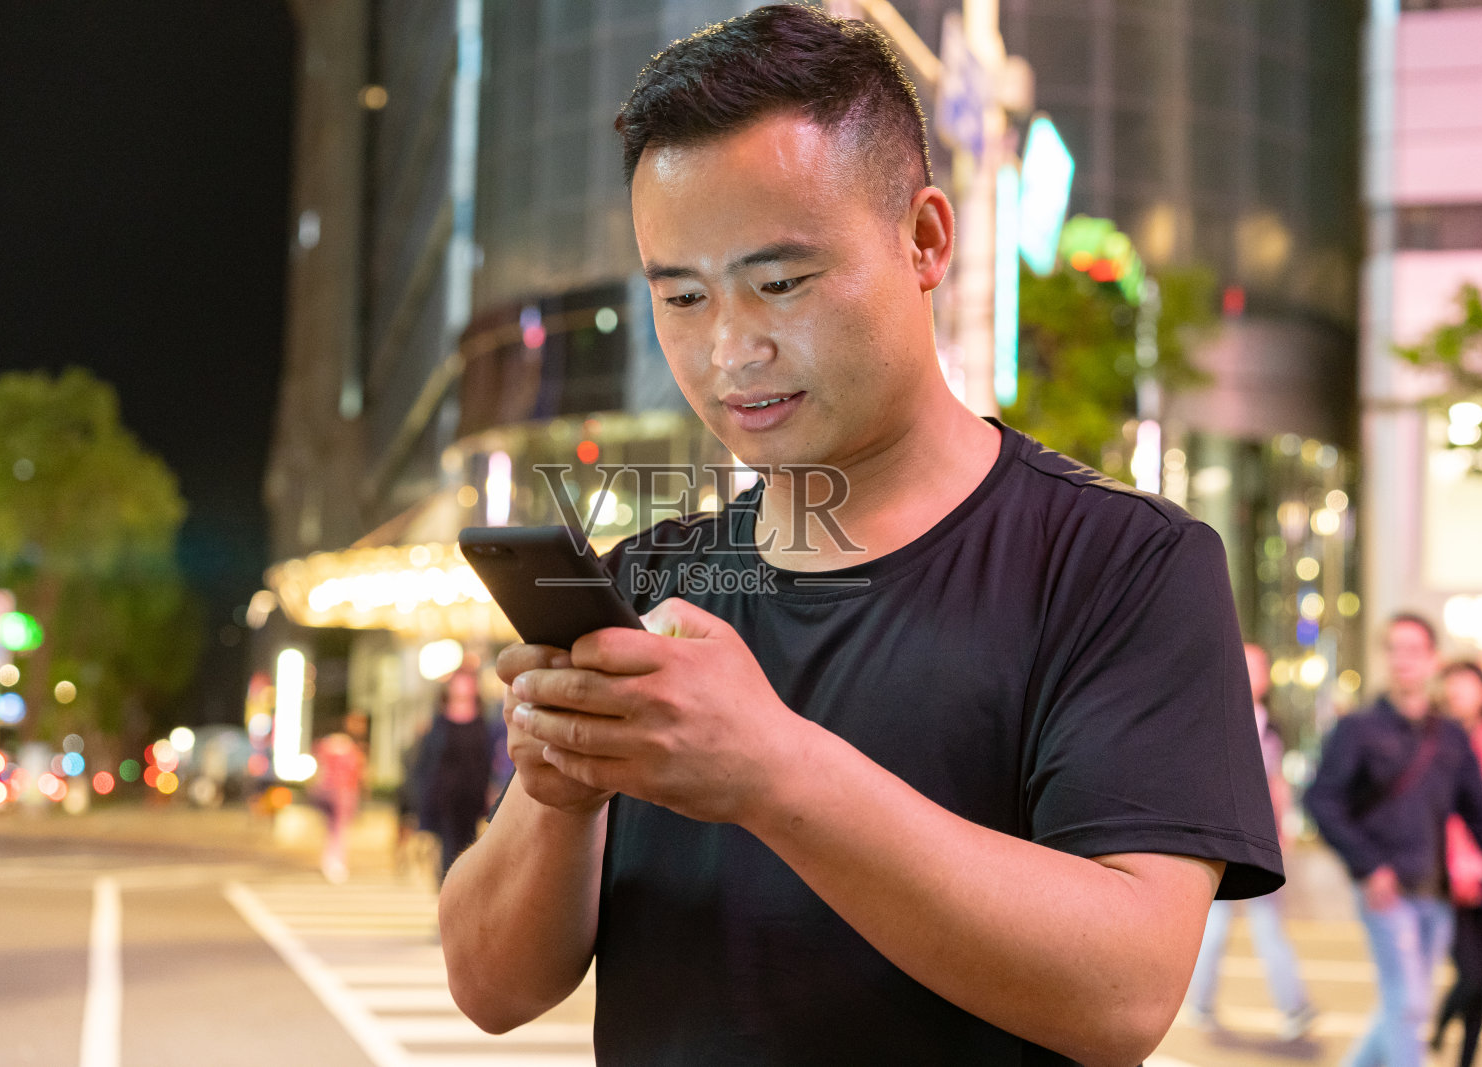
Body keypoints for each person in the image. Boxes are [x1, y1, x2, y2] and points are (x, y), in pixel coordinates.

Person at [438, 7, 1282, 1064]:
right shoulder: (651, 579)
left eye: (780, 282)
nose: (730, 346)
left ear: (925, 239)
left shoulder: (1123, 563)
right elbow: (488, 986)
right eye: (683, 296)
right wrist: (557, 795)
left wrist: (775, 769)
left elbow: (1120, 993)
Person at [1305, 615, 1482, 1067]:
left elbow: (1480, 817)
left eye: (1414, 649)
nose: (1403, 659)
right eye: (1394, 648)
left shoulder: (1450, 735)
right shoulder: (1358, 729)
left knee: (1403, 1006)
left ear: (1433, 659)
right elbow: (1321, 801)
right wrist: (1368, 865)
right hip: (1385, 892)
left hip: (1436, 892)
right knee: (1409, 1004)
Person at [1186, 642, 1317, 1038]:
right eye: (1248, 664)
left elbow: (1276, 782)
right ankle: (1201, 1001)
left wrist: (1285, 824)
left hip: (1260, 840)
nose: (1254, 673)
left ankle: (1292, 1005)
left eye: (1260, 665)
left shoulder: (1269, 724)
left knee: (1264, 924)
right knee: (1216, 926)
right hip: (1223, 838)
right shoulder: (1214, 717)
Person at [1431, 660, 1482, 1067]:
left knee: (1481, 979)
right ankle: (1441, 1023)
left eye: (1467, 685)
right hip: (1445, 872)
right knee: (1468, 974)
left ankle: (1466, 1059)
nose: (1458, 692)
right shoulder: (1439, 739)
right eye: (1451, 685)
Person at [409, 669, 493, 883]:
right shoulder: (438, 723)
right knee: (448, 846)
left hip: (473, 796)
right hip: (444, 795)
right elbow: (426, 762)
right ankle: (447, 894)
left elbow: (488, 760)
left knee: (470, 846)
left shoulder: (484, 722)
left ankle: (463, 894)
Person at [311, 710, 368, 884]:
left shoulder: (326, 743)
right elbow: (358, 773)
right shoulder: (352, 747)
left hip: (327, 790)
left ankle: (329, 861)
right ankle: (335, 863)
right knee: (338, 829)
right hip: (342, 792)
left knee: (333, 829)